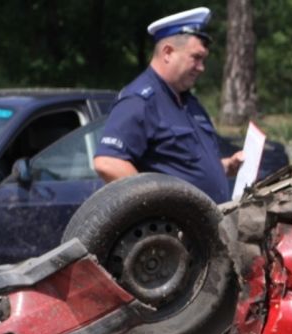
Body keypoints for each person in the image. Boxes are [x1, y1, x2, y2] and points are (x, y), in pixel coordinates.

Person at [94, 7, 243, 203]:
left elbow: (183, 165)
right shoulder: (141, 100)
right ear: (168, 52)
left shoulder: (188, 101)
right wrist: (161, 206)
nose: (201, 67)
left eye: (203, 60)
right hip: (176, 229)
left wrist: (224, 167)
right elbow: (108, 162)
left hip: (208, 225)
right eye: (196, 58)